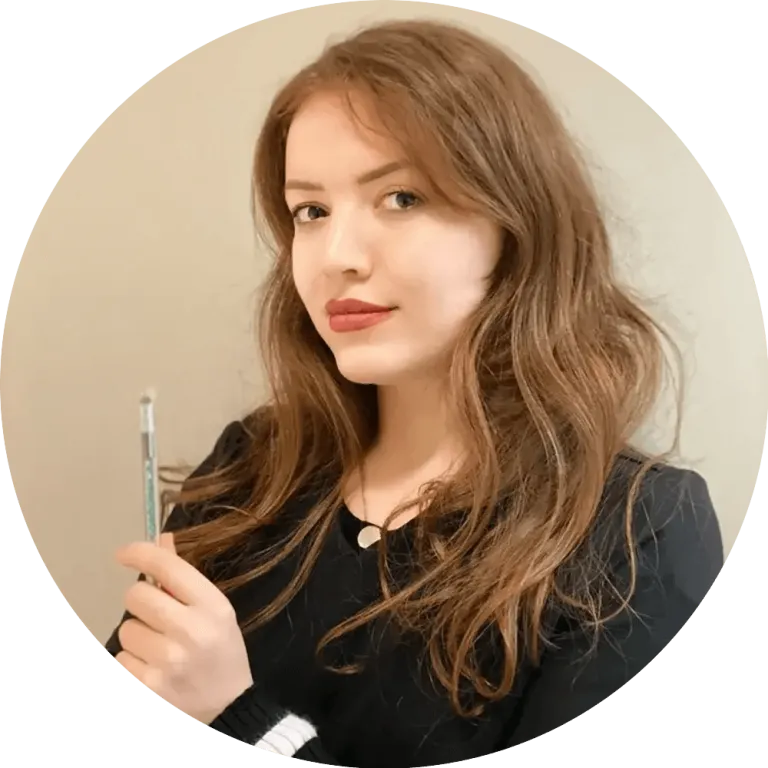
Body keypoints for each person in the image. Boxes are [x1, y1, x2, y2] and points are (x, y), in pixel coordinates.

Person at [104, 18, 724, 766]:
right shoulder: (252, 469)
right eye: (311, 212)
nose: (337, 257)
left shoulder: (640, 533)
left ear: (515, 223)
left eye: (400, 198)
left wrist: (244, 720)